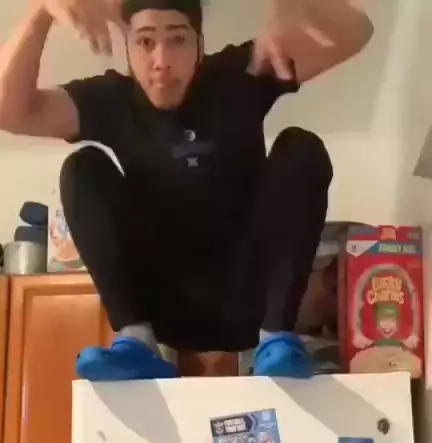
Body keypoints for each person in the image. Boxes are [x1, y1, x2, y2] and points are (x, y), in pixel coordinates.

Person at [0, 0, 373, 381]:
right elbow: (8, 110)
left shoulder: (240, 73)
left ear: (199, 45)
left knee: (300, 147)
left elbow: (357, 34)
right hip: (168, 309)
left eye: (177, 40)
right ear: (128, 47)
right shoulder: (111, 101)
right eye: (146, 42)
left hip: (253, 302)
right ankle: (135, 341)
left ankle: (275, 338)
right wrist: (40, 11)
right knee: (81, 169)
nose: (161, 61)